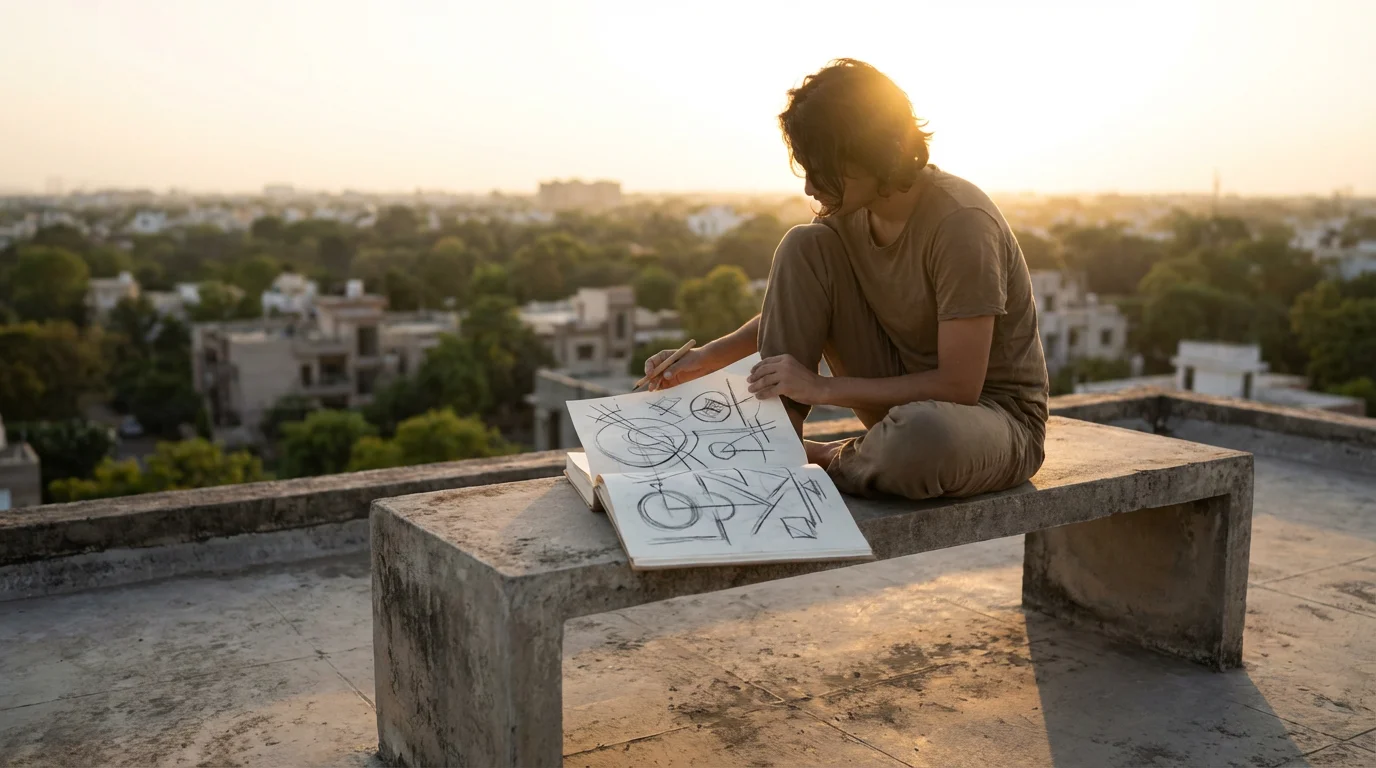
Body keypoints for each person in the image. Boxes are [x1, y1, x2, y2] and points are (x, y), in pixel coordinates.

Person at [642, 58, 1048, 501]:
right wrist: (706, 357)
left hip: (988, 424)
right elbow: (802, 304)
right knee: (802, 243)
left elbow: (959, 386)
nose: (810, 188)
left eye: (822, 169)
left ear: (871, 153)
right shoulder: (849, 214)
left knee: (921, 439)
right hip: (900, 401)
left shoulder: (961, 223)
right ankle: (779, 439)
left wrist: (821, 387)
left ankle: (823, 458)